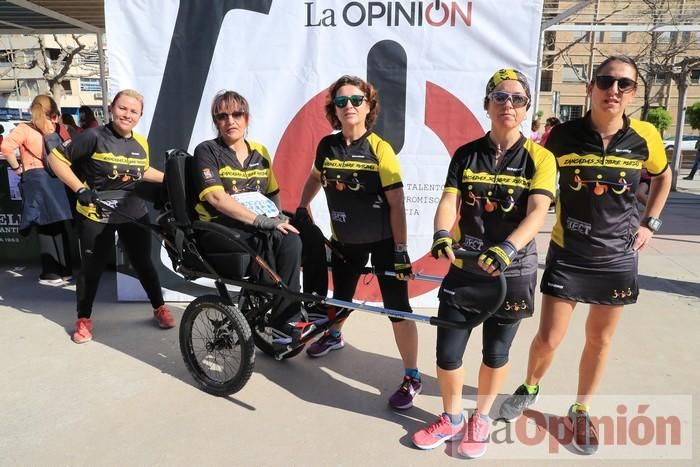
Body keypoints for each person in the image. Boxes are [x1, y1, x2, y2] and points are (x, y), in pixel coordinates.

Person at [499, 55, 672, 455]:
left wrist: (651, 223)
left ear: (632, 93)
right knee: (548, 338)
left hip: (617, 258)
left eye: (624, 84)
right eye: (606, 81)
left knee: (599, 340)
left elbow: (662, 177)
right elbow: (531, 174)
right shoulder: (562, 136)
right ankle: (530, 387)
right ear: (592, 87)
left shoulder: (644, 136)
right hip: (569, 253)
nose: (614, 90)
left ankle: (581, 410)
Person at [411, 69, 556, 458]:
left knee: (495, 353)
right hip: (468, 268)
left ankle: (482, 417)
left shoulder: (540, 158)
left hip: (514, 270)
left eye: (517, 99)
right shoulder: (465, 153)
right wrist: (442, 233)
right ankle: (452, 416)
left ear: (526, 108)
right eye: (500, 96)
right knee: (448, 353)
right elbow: (448, 201)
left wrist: (508, 248)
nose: (508, 104)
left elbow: (538, 211)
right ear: (487, 104)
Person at [296, 75, 422, 410]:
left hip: (382, 242)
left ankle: (412, 375)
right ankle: (335, 335)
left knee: (398, 310)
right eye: (341, 102)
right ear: (333, 110)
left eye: (355, 100)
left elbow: (397, 203)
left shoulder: (380, 149)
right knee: (341, 297)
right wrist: (301, 206)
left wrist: (400, 251)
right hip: (344, 239)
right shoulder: (328, 145)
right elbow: (314, 178)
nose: (348, 106)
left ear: (368, 107)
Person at [48, 89, 176, 344]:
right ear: (111, 108)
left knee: (143, 263)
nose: (127, 114)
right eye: (123, 108)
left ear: (140, 116)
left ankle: (159, 308)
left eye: (133, 111)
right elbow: (55, 158)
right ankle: (83, 320)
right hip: (96, 215)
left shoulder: (141, 142)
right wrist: (80, 188)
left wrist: (173, 178)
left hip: (133, 213)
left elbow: (142, 170)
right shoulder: (93, 136)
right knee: (91, 270)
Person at [190, 90, 305, 338]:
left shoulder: (260, 151)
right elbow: (215, 198)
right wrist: (262, 222)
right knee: (273, 237)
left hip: (253, 224)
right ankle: (281, 313)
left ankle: (296, 310)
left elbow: (272, 192)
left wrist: (276, 217)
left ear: (247, 118)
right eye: (222, 116)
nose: (230, 121)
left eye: (236, 114)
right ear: (216, 122)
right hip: (217, 227)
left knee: (299, 236)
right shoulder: (206, 151)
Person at [1, 95, 74, 285]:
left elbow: (6, 148)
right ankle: (66, 270)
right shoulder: (56, 127)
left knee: (44, 225)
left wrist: (17, 168)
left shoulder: (24, 128)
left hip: (36, 178)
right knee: (59, 224)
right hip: (57, 178)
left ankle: (51, 273)